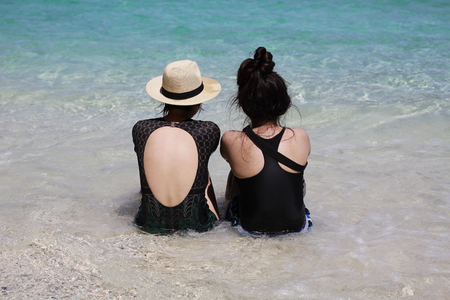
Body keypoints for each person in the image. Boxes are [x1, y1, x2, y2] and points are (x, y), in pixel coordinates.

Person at [220, 47, 312, 235]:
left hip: (250, 228)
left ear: (243, 103)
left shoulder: (231, 139)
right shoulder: (301, 136)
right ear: (284, 103)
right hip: (298, 228)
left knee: (236, 165)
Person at [133, 60, 221, 234]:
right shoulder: (208, 130)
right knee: (204, 173)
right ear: (198, 101)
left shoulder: (141, 129)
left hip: (147, 224)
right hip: (197, 226)